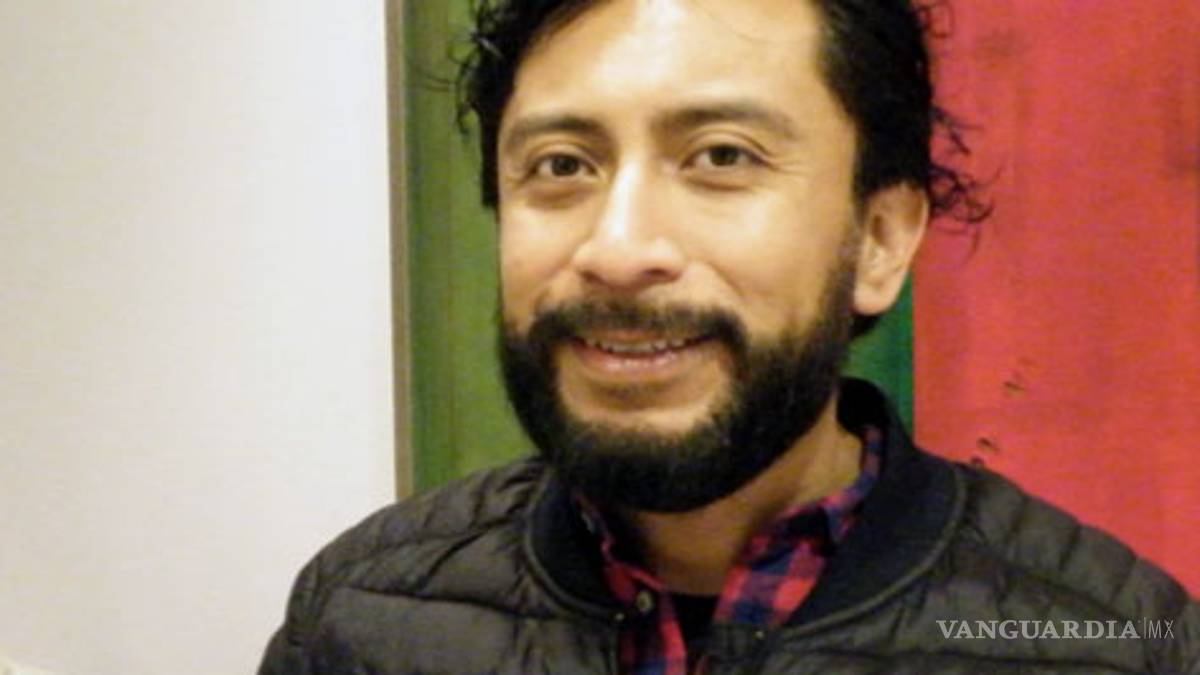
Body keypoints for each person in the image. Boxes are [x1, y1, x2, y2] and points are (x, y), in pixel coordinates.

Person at [259, 0, 1199, 672]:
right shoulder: (359, 621)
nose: (619, 248)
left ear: (879, 239)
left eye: (721, 156)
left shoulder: (1113, 645)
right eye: (562, 165)